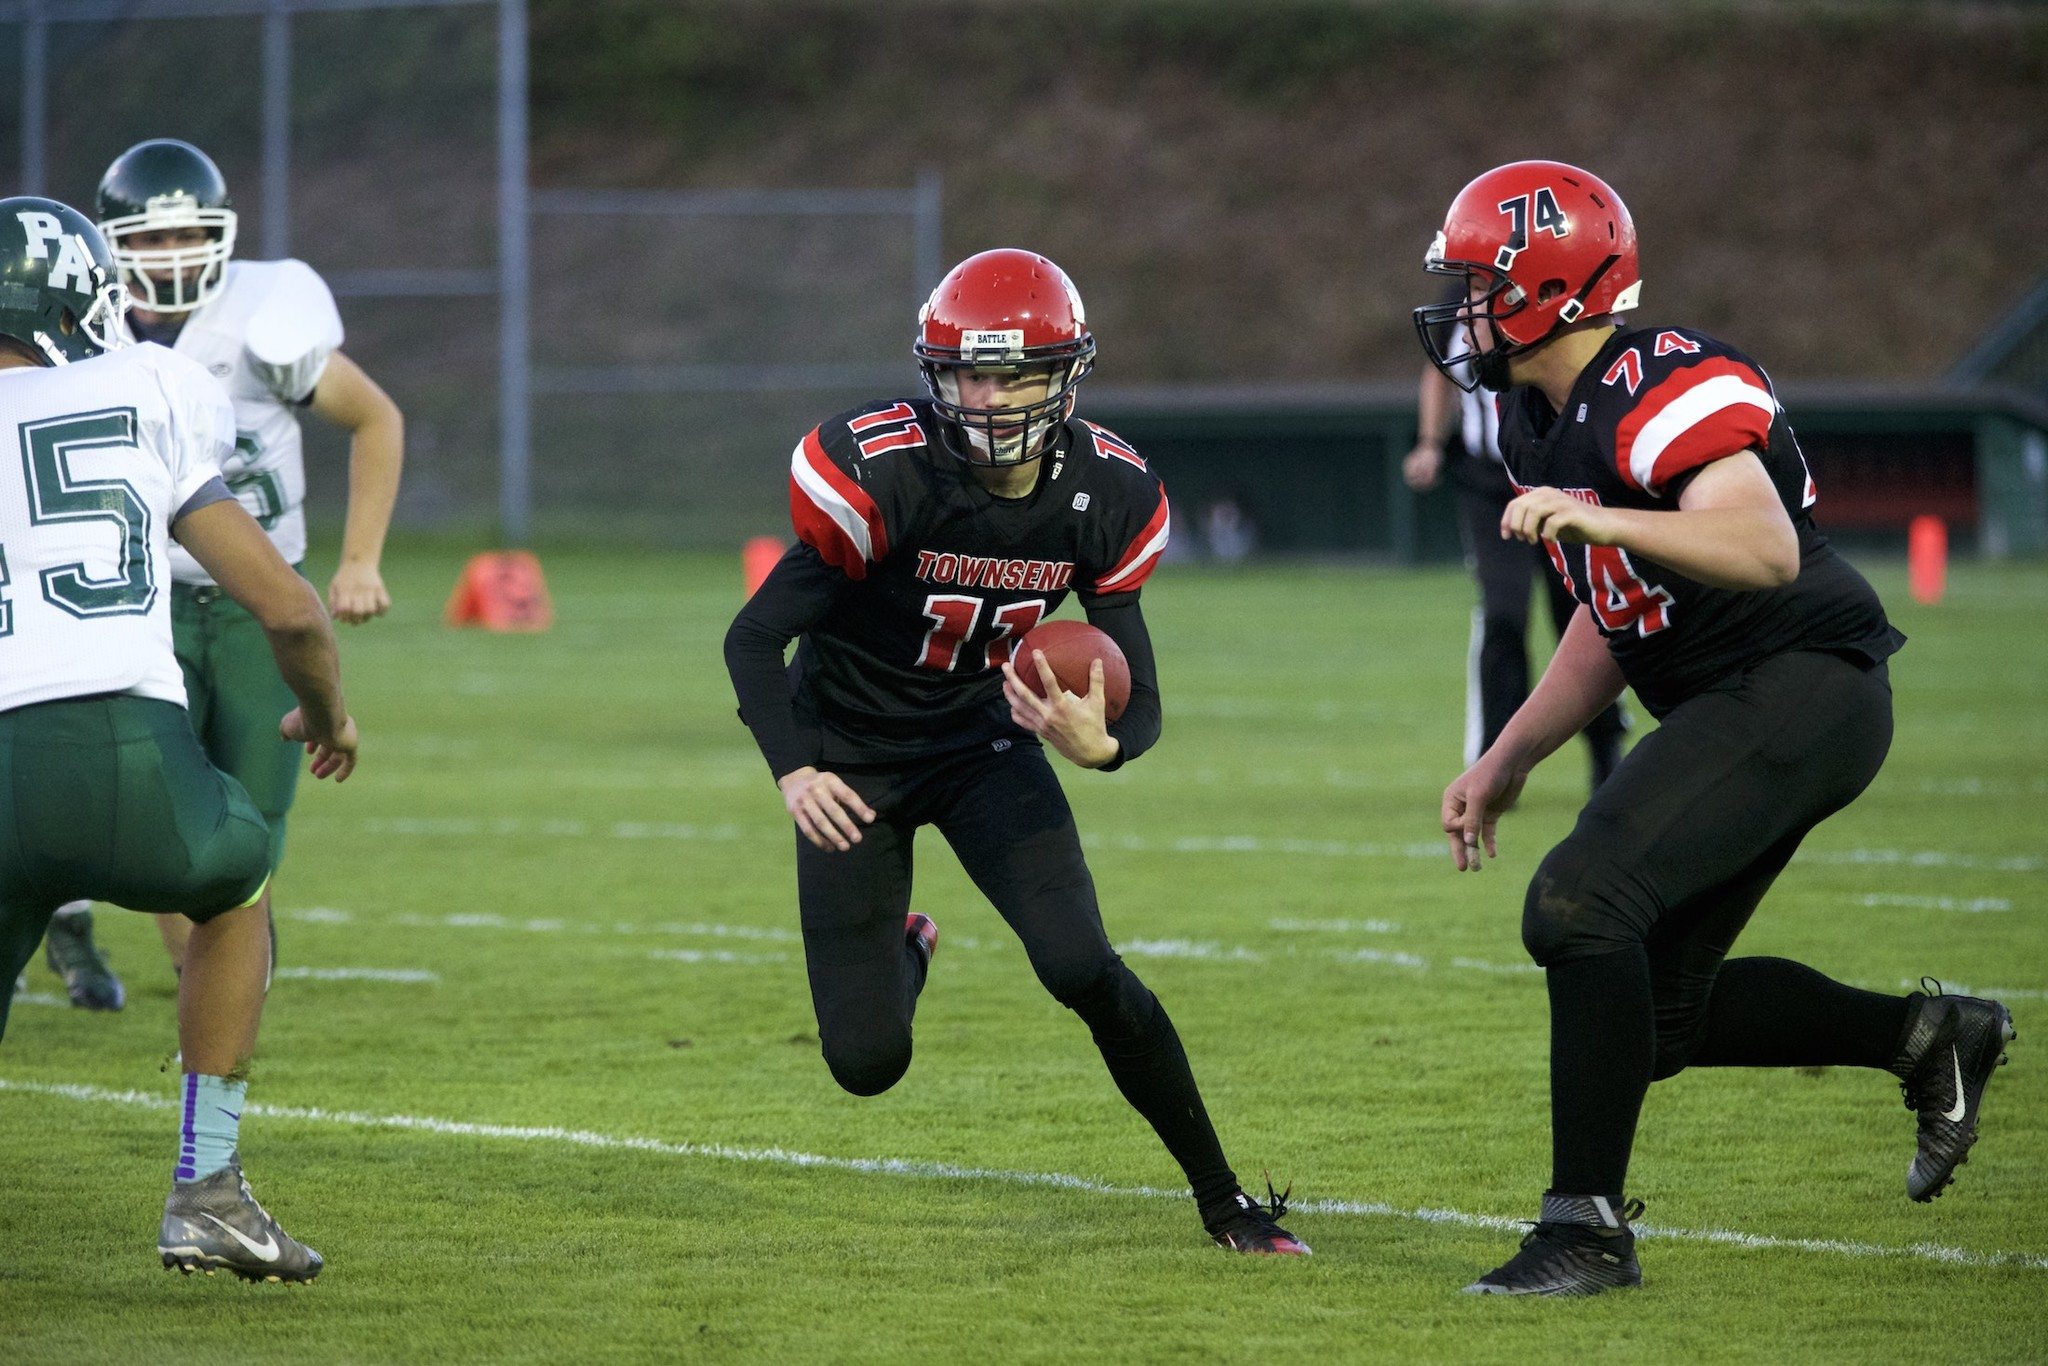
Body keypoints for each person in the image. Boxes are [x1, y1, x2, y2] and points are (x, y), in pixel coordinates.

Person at [1417, 161, 2015, 1296]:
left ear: (1548, 290)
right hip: (1730, 694)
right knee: (1660, 1013)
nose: (1456, 312)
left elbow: (1760, 548)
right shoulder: (1534, 423)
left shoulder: (1655, 377)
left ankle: (1583, 1232)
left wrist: (1609, 522)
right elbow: (1615, 615)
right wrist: (1505, 757)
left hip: (1801, 677)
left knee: (1576, 900)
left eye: (1476, 285)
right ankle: (1927, 1035)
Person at [724, 248, 1306, 1255]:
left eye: (1010, 374)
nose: (983, 397)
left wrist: (1102, 745)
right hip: (850, 755)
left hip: (981, 739)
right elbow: (750, 638)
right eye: (963, 373)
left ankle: (1225, 1203)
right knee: (865, 1062)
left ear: (1064, 375)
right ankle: (906, 944)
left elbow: (1140, 695)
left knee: (1082, 963)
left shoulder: (1106, 494)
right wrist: (795, 766)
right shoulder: (883, 471)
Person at [0, 197, 357, 1281]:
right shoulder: (147, 383)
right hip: (130, 751)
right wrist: (328, 716)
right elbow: (291, 607)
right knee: (236, 881)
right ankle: (205, 1186)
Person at [35, 139, 402, 1008]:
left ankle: (202, 947)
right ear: (112, 242)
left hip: (255, 595)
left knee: (259, 797)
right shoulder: (76, 329)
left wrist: (359, 560)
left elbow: (376, 418)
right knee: (161, 792)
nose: (172, 256)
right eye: (151, 241)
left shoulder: (265, 322)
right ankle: (175, 960)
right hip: (139, 596)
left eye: (188, 235)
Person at [1403, 327, 1626, 788]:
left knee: (1582, 609)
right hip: (1487, 484)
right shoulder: (1458, 301)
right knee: (1504, 611)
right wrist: (1429, 441)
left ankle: (1606, 750)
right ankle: (1495, 759)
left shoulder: (1540, 293)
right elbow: (1438, 371)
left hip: (1553, 475)